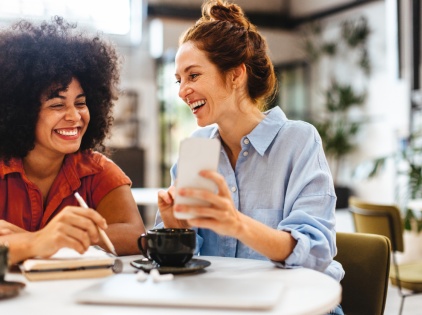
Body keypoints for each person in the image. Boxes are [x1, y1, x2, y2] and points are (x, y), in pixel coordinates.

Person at [156, 1, 344, 314]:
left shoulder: (298, 140)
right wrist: (176, 227)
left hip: (295, 305)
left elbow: (316, 252)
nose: (182, 91)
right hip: (220, 303)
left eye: (193, 75)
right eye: (179, 80)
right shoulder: (197, 146)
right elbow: (181, 262)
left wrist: (237, 224)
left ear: (235, 75)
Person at [0, 16, 145, 265]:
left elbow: (136, 236)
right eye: (57, 105)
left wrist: (41, 241)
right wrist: (40, 241)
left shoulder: (97, 170)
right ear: (20, 110)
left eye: (80, 102)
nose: (74, 116)